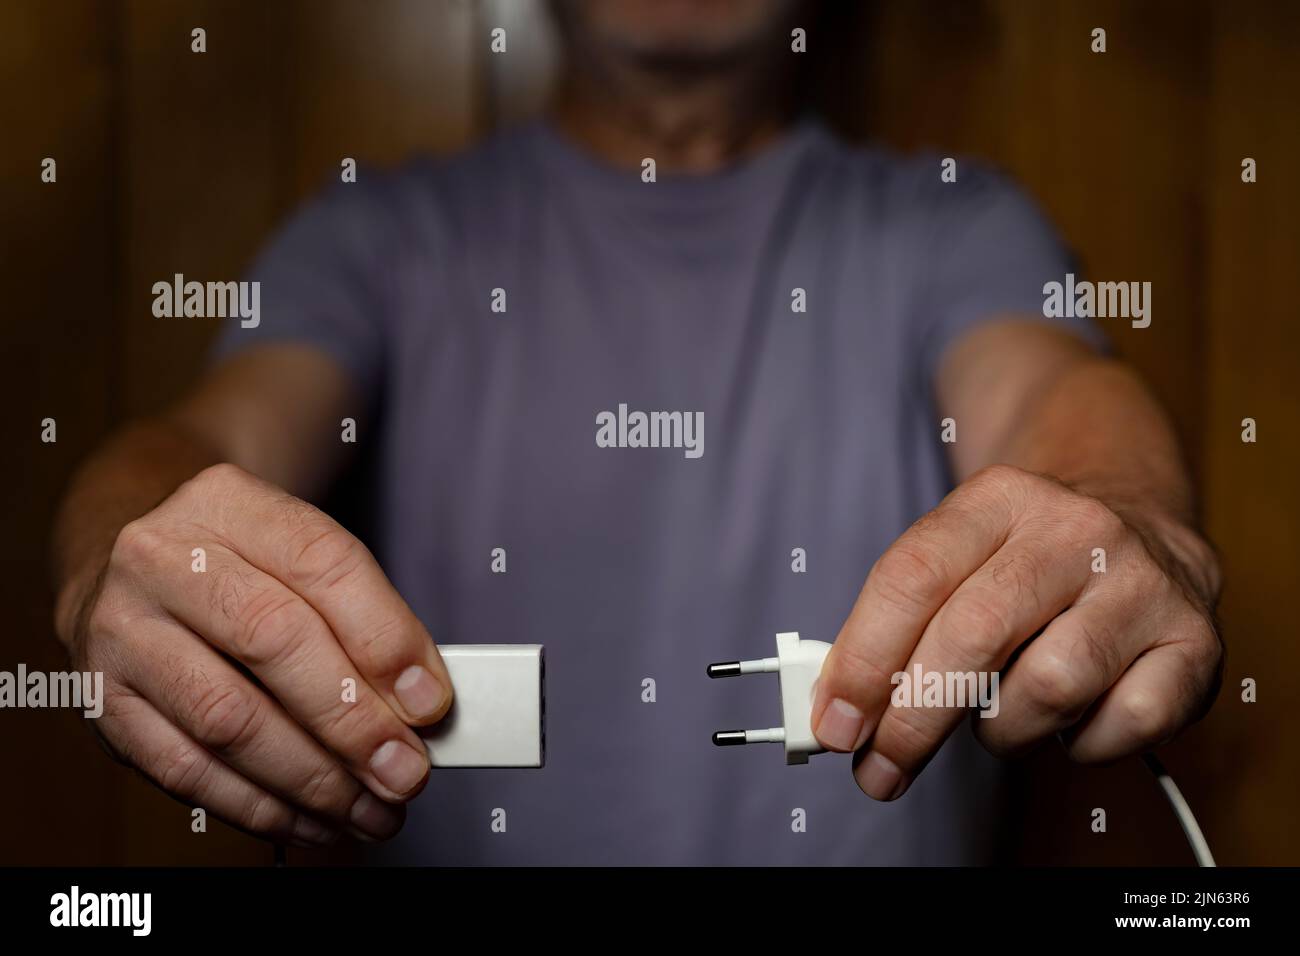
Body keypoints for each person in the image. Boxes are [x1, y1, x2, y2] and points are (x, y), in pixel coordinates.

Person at [52, 0, 1222, 864]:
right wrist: (125, 550)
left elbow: (1055, 403)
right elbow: (197, 445)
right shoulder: (376, 232)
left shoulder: (955, 224)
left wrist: (1120, 509)